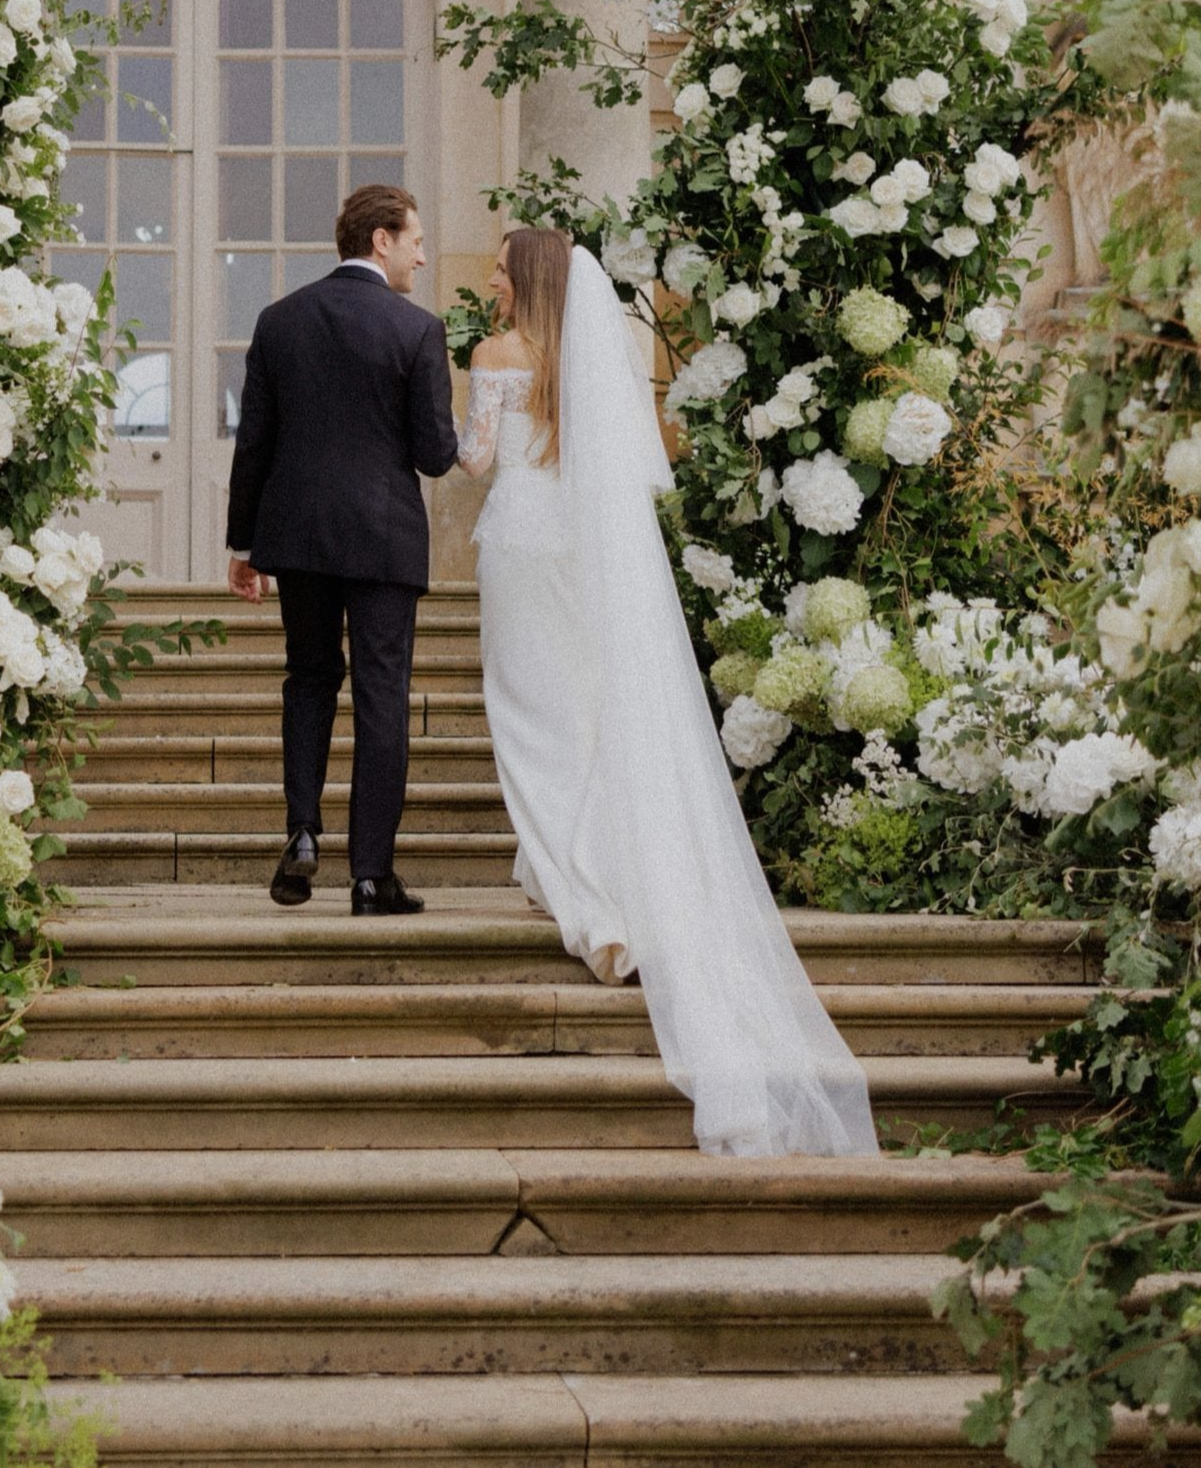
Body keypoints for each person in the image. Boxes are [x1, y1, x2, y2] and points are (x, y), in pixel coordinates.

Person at [457, 226, 877, 1156]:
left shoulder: (495, 352)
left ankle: (586, 895)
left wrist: (449, 418)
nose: (485, 277)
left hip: (521, 544)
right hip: (581, 547)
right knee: (581, 709)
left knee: (524, 716)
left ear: (522, 280)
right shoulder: (580, 357)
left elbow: (475, 460)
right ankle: (585, 872)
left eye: (496, 266)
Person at [224, 183, 459, 917]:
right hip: (384, 536)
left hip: (296, 535)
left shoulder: (279, 320)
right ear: (380, 239)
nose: (424, 253)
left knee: (309, 678)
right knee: (381, 695)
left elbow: (253, 443)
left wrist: (245, 543)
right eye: (415, 238)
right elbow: (433, 454)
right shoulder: (417, 330)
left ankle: (301, 834)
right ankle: (370, 875)